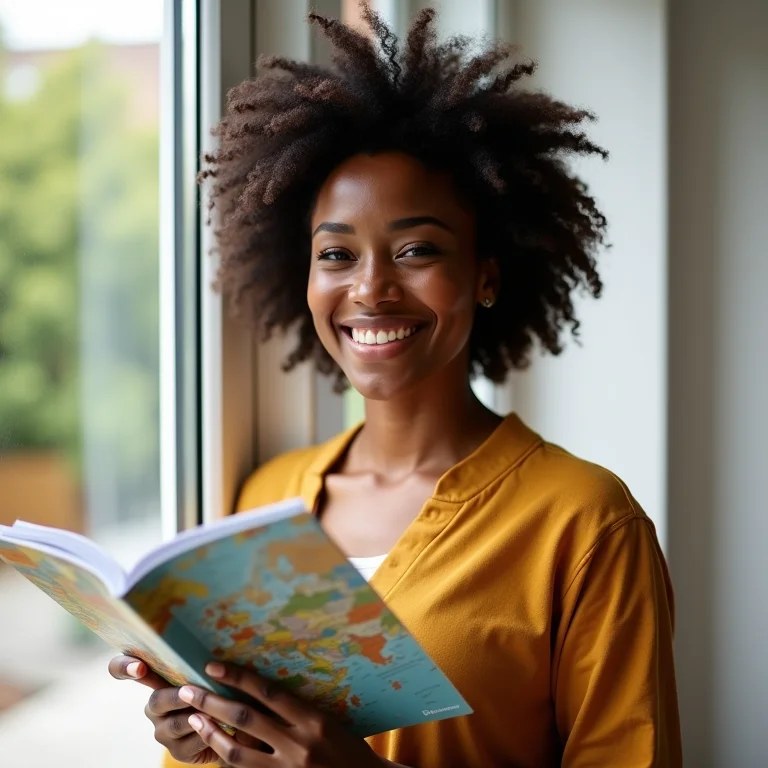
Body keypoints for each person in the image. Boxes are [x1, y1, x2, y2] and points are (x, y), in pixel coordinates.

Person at [110, 5, 682, 766]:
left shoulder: (585, 526)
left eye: (416, 249)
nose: (371, 290)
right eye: (337, 255)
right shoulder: (266, 500)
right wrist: (196, 739)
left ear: (485, 275)